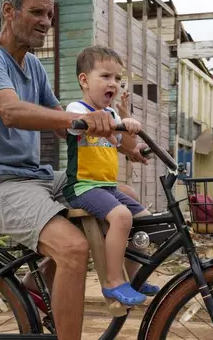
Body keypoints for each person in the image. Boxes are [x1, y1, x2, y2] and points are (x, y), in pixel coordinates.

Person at [0, 0, 148, 340]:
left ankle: (34, 286)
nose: (45, 22)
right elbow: (10, 111)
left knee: (124, 198)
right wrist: (83, 119)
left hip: (33, 175)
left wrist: (120, 140)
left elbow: (63, 128)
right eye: (37, 12)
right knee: (73, 247)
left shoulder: (34, 67)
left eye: (50, 15)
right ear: (9, 12)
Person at [62, 45, 159, 305]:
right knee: (121, 216)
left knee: (144, 218)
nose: (113, 83)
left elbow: (125, 145)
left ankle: (135, 275)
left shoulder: (113, 114)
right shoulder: (77, 108)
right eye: (105, 76)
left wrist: (126, 117)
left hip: (105, 187)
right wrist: (111, 121)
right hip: (82, 187)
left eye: (117, 79)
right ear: (84, 80)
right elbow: (84, 123)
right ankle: (112, 281)